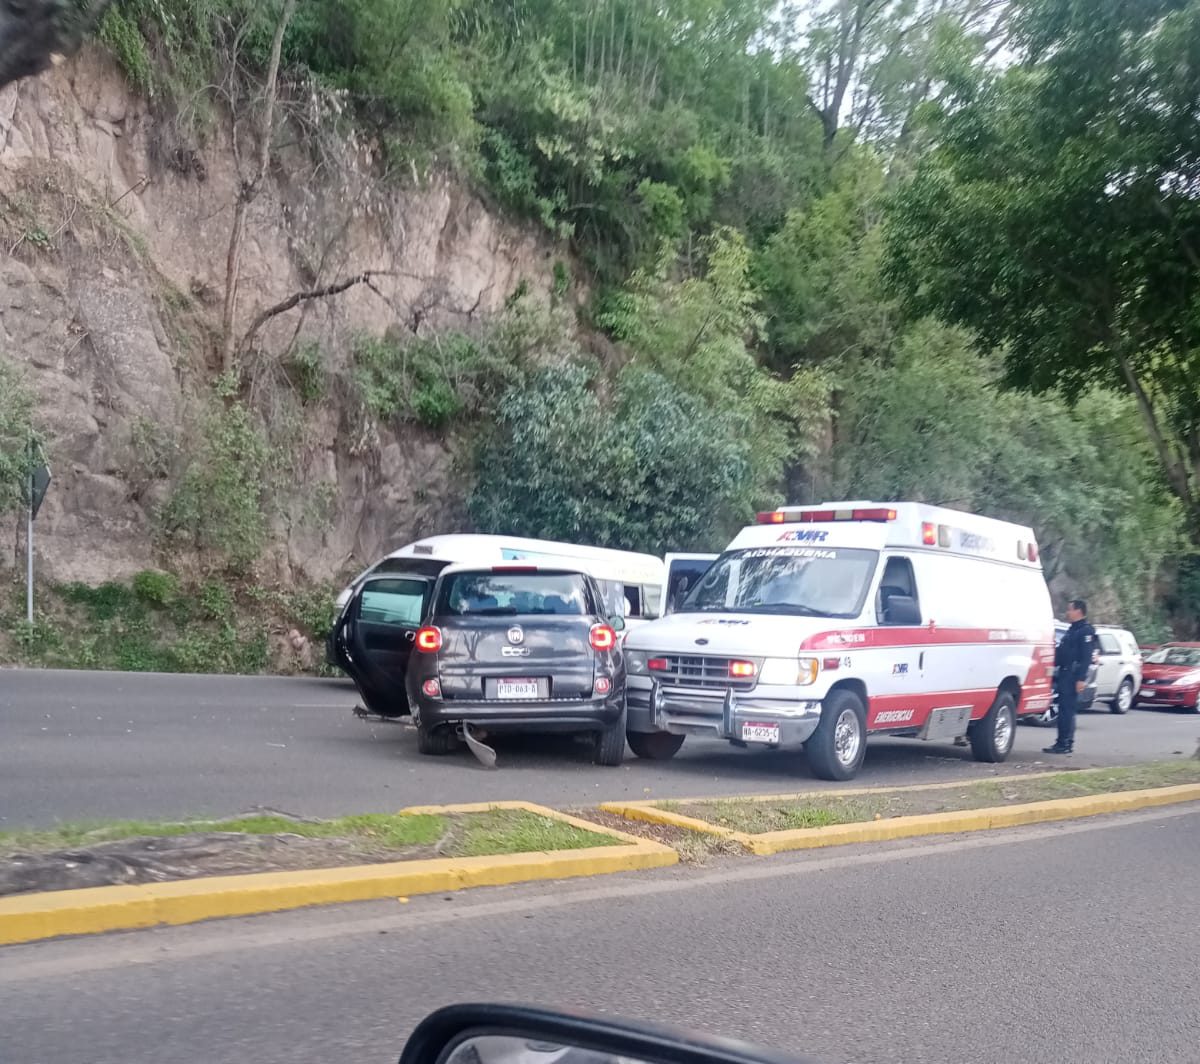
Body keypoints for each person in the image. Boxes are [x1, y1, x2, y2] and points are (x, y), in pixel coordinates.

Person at [1044, 598, 1097, 755]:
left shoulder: (1086, 631)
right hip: (1065, 673)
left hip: (1073, 676)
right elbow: (1063, 652)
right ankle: (1061, 741)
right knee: (1063, 710)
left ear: (1078, 611)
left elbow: (1086, 657)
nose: (1067, 612)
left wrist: (1081, 679)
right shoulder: (1072, 629)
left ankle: (1065, 743)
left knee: (1067, 710)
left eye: (1070, 609)